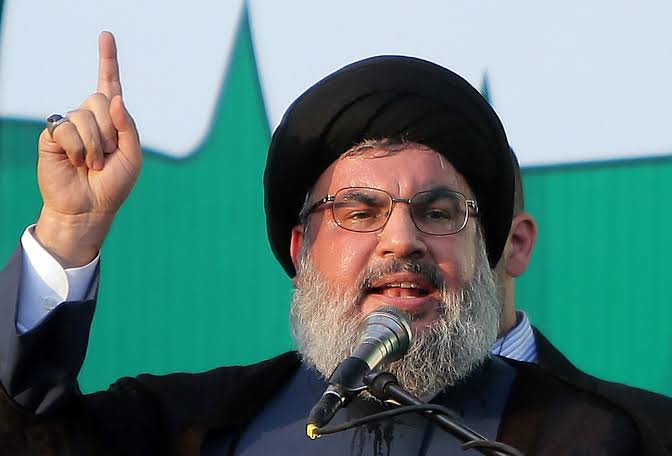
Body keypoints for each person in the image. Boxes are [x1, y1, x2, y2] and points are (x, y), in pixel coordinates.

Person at [0, 32, 669, 455]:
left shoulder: (626, 436)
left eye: (438, 213)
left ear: (487, 247)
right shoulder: (183, 429)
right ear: (300, 249)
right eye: (359, 211)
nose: (401, 241)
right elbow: (25, 429)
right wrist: (70, 229)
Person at [493, 152, 672, 451]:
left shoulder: (654, 433)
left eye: (438, 214)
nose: (409, 241)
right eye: (382, 212)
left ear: (516, 244)